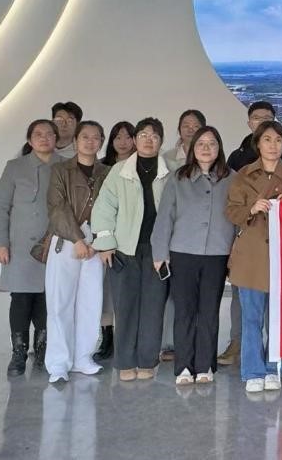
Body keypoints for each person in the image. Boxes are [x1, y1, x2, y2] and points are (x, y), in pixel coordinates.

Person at [226, 121, 282, 393]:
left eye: (278, 140)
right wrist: (251, 209)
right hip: (251, 255)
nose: (273, 146)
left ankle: (275, 368)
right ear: (258, 144)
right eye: (267, 140)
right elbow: (232, 212)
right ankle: (252, 370)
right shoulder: (243, 174)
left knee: (278, 318)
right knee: (251, 318)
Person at [90, 117, 172, 381]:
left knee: (153, 307)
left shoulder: (170, 172)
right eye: (144, 135)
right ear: (135, 140)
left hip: (158, 251)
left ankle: (147, 360)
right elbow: (104, 208)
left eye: (154, 136)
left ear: (161, 141)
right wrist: (105, 244)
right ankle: (125, 361)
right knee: (124, 307)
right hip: (124, 250)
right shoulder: (119, 171)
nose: (149, 140)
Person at [151, 126, 234, 386]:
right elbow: (165, 217)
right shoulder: (179, 177)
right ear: (192, 148)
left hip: (217, 253)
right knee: (184, 311)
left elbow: (238, 218)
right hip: (183, 252)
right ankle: (184, 366)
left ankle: (205, 365)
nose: (206, 148)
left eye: (212, 143)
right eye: (201, 143)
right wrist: (160, 253)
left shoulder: (232, 178)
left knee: (209, 311)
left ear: (219, 148)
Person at [0, 119, 62, 376]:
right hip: (20, 246)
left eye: (49, 134)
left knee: (47, 298)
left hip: (54, 244)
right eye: (38, 134)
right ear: (30, 140)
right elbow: (1, 207)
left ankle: (43, 350)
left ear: (56, 139)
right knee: (21, 299)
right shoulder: (15, 167)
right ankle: (19, 353)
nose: (44, 138)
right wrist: (0, 243)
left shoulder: (65, 166)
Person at [43, 120, 109, 383]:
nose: (90, 142)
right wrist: (78, 239)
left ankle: (83, 357)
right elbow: (57, 206)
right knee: (60, 303)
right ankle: (59, 363)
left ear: (101, 142)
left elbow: (111, 207)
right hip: (66, 241)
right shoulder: (61, 170)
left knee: (91, 302)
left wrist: (99, 241)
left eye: (96, 137)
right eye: (85, 137)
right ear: (75, 141)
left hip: (96, 245)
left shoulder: (107, 172)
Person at [95, 120, 135, 360]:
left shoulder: (142, 167)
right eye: (118, 137)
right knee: (106, 292)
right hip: (108, 240)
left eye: (128, 137)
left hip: (132, 240)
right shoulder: (102, 168)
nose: (123, 142)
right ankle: (107, 337)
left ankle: (128, 338)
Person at [228, 101, 282, 171]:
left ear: (274, 122)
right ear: (249, 124)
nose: (261, 122)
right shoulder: (236, 157)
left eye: (266, 118)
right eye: (256, 118)